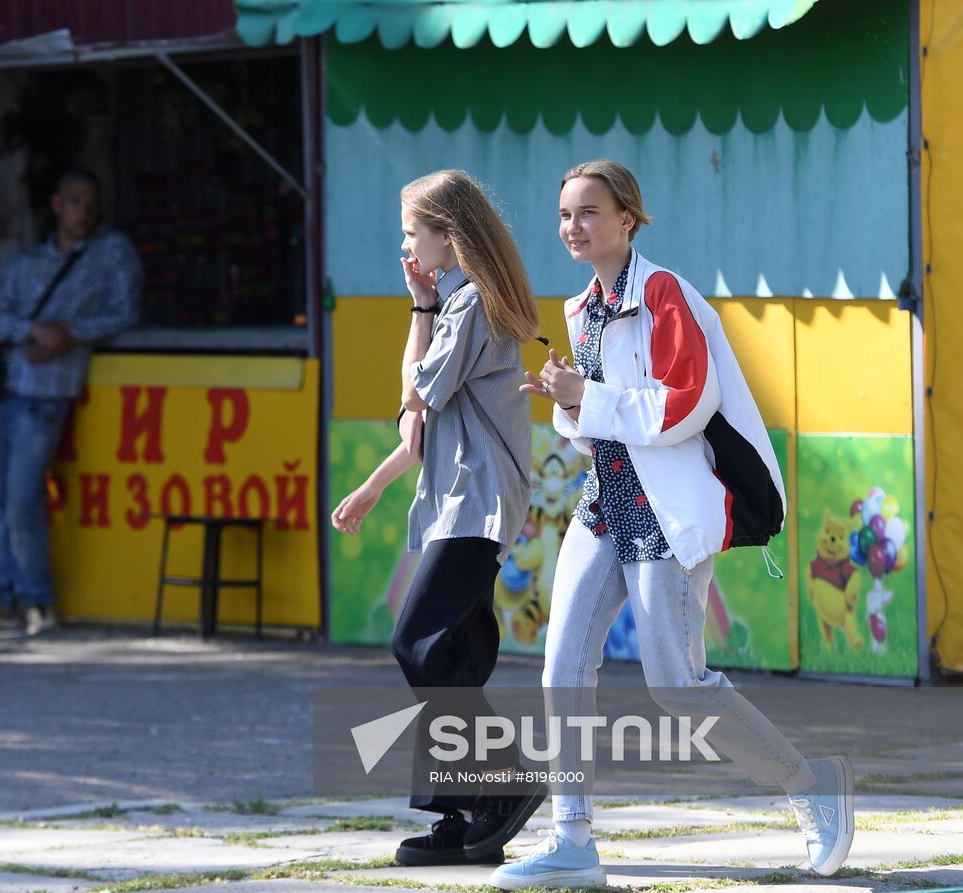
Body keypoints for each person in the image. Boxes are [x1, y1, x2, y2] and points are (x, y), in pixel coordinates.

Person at [490, 159, 853, 889]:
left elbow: (684, 403)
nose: (573, 226)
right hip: (604, 504)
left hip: (664, 514)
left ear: (629, 219)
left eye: (589, 212)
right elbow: (600, 434)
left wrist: (583, 395)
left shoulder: (663, 292)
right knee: (562, 666)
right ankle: (572, 839)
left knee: (678, 684)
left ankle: (811, 780)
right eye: (565, 214)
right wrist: (565, 402)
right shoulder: (579, 308)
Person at [331, 170, 544, 867]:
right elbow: (417, 435)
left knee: (418, 643)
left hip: (476, 502)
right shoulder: (464, 303)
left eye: (411, 231)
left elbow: (411, 401)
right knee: (455, 656)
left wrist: (419, 312)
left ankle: (505, 786)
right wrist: (368, 490)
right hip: (466, 500)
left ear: (448, 236)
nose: (405, 245)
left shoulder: (470, 307)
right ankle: (464, 814)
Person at [0, 169, 141, 637]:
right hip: (2, 386)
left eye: (91, 201)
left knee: (22, 498)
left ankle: (38, 601)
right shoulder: (27, 261)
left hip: (48, 388)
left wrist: (70, 335)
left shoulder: (111, 254)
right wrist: (33, 331)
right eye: (76, 200)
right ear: (57, 205)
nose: (84, 210)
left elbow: (125, 313)